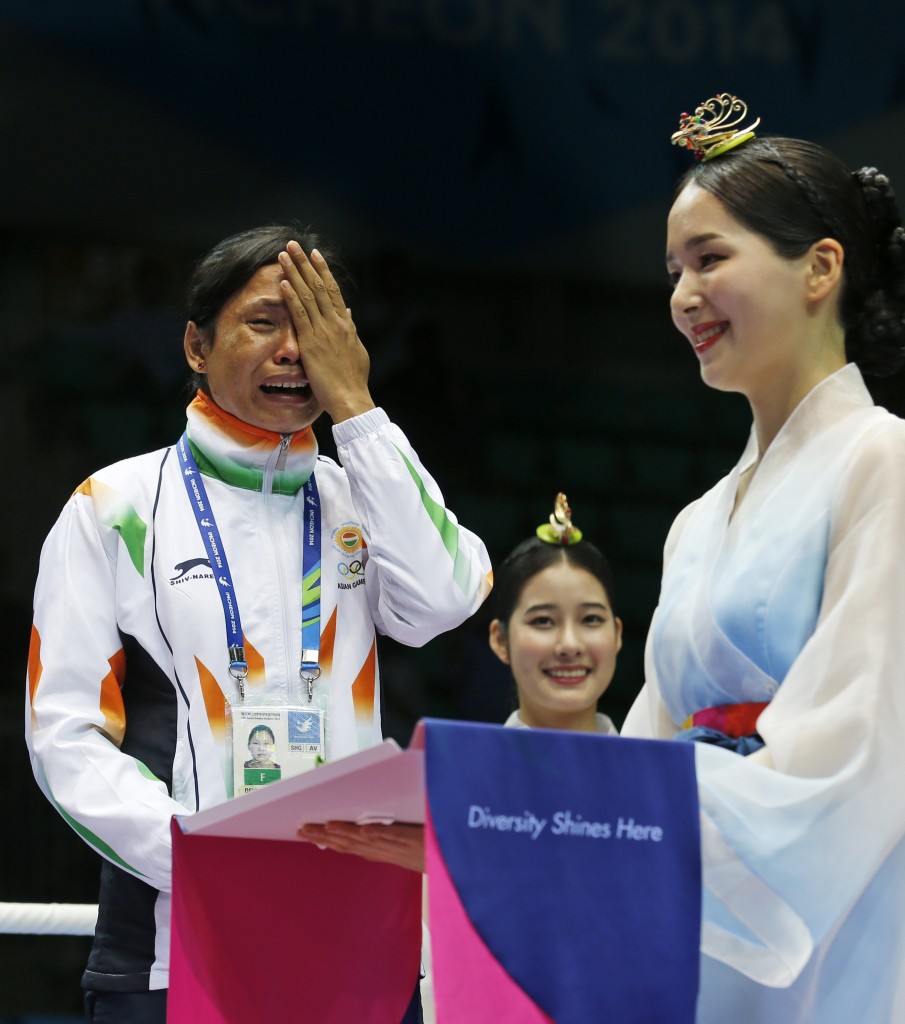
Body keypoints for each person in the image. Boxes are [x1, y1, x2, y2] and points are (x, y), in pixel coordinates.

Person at [25, 224, 493, 1024]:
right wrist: (199, 854)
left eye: (314, 327)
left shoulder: (361, 497)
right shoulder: (112, 508)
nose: (292, 351)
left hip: (355, 946)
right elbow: (63, 734)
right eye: (264, 321)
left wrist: (359, 408)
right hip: (178, 937)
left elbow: (446, 597)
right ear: (195, 347)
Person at [620, 93, 905, 1021]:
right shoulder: (694, 521)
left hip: (833, 918)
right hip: (688, 907)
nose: (681, 297)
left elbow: (853, 746)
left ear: (819, 267)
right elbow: (646, 745)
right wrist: (519, 825)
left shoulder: (882, 458)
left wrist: (636, 824)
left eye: (710, 260)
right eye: (673, 270)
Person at [298, 492, 622, 863]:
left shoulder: (659, 779)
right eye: (543, 621)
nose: (568, 644)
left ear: (618, 634)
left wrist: (465, 861)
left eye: (591, 620)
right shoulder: (441, 791)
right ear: (499, 639)